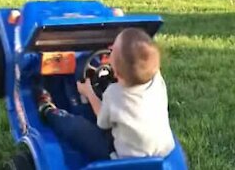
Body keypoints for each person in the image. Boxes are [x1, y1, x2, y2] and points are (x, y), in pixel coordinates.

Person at [36, 28, 175, 161]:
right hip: (162, 151)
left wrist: (88, 92)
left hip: (122, 157)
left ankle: (48, 111)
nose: (110, 49)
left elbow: (102, 122)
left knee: (77, 128)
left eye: (112, 50)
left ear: (116, 73)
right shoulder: (157, 80)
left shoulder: (114, 94)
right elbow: (139, 61)